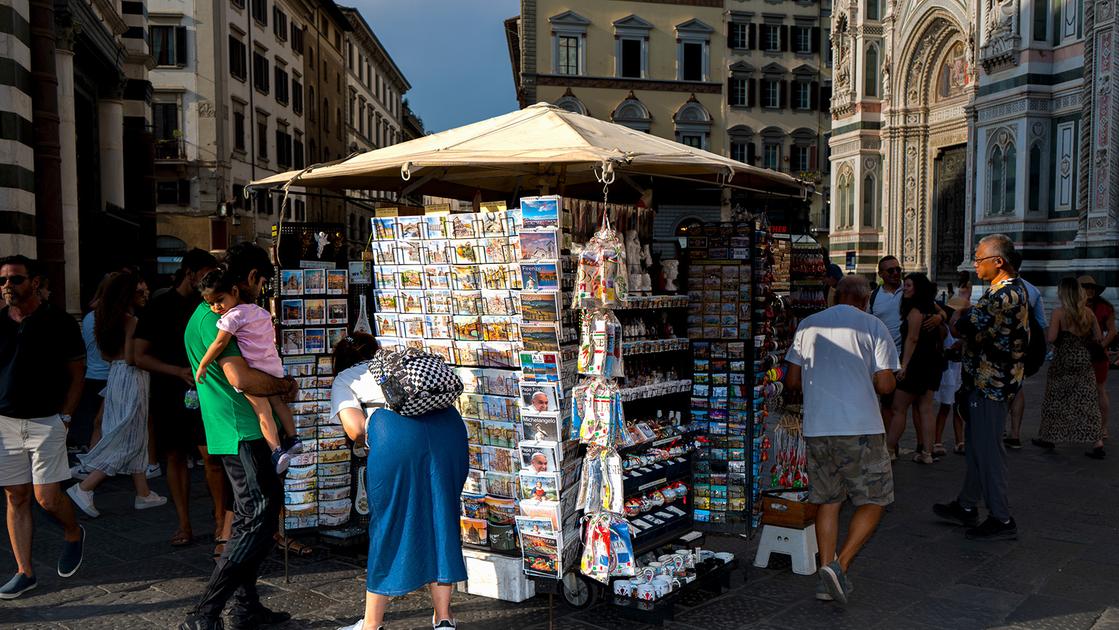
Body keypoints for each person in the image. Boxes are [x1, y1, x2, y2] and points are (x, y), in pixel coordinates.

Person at [181, 243, 295, 630]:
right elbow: (241, 378)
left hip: (232, 429)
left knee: (254, 518)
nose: (262, 290)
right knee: (256, 520)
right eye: (262, 282)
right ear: (250, 278)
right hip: (243, 429)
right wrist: (283, 384)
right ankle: (205, 613)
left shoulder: (203, 311)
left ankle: (245, 607)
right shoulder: (221, 318)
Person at [330, 334, 467, 630]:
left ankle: (371, 624)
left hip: (395, 435)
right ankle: (444, 619)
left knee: (389, 525)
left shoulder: (344, 378)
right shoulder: (402, 365)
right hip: (449, 431)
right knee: (441, 518)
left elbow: (355, 430)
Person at [784, 275, 899, 605]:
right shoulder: (873, 326)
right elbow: (886, 386)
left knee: (829, 501)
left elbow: (791, 379)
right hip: (860, 426)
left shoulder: (808, 324)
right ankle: (840, 565)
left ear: (836, 295)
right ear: (865, 299)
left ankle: (824, 577)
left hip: (819, 427)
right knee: (875, 500)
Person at [0, 255, 86, 598]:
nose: (8, 286)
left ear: (34, 282)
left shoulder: (59, 321)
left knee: (47, 498)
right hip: (5, 422)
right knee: (16, 496)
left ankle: (73, 532)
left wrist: (65, 416)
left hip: (47, 420)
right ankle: (25, 571)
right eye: (3, 280)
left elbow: (77, 372)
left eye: (15, 279)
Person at [934, 234, 1029, 541]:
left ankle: (1001, 518)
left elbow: (963, 326)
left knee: (988, 451)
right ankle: (966, 505)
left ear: (998, 262)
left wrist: (958, 310)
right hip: (985, 380)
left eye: (979, 258)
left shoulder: (1004, 295)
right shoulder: (1002, 291)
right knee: (976, 447)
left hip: (993, 384)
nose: (975, 264)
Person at [133, 249, 230, 549]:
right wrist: (176, 370)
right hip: (171, 392)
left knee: (212, 456)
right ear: (189, 274)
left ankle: (219, 522)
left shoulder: (214, 304)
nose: (210, 281)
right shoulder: (160, 306)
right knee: (175, 456)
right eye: (204, 274)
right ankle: (184, 523)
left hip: (208, 390)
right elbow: (137, 356)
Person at [67, 272, 167, 517]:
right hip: (133, 377)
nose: (144, 295)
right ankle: (85, 487)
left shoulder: (103, 318)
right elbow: (134, 358)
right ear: (128, 295)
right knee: (128, 435)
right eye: (140, 292)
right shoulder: (131, 321)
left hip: (115, 376)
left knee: (132, 433)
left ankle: (143, 493)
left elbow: (105, 356)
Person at [194, 267, 302, 474]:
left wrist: (203, 364)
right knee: (279, 404)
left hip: (255, 370)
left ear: (234, 291)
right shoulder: (259, 311)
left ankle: (277, 451)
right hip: (273, 365)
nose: (216, 307)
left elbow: (219, 345)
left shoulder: (231, 317)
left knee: (263, 412)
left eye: (219, 300)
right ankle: (293, 437)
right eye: (211, 304)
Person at [1034, 277, 1104, 456]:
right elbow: (1098, 337)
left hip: (1063, 359)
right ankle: (1097, 442)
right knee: (1087, 400)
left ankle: (1049, 437)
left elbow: (1051, 338)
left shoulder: (1059, 312)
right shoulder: (1088, 312)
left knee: (1055, 398)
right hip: (1083, 359)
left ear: (1063, 293)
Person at [889, 272, 945, 464]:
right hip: (932, 363)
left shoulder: (915, 311)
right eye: (904, 285)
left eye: (909, 285)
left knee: (899, 408)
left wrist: (903, 366)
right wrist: (940, 317)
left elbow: (912, 339)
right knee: (926, 408)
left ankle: (888, 449)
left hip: (916, 364)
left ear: (918, 288)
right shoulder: (930, 306)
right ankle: (927, 453)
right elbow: (944, 312)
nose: (905, 288)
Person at [1004, 251, 1048, 450]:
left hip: (1006, 347)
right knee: (1017, 386)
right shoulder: (1032, 290)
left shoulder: (1000, 291)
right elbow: (1041, 323)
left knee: (1006, 387)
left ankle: (1003, 431)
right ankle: (1014, 433)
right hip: (1025, 347)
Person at [72, 275, 113, 452]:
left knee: (95, 420)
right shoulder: (111, 318)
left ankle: (90, 451)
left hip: (91, 374)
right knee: (102, 421)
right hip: (107, 375)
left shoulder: (89, 317)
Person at [1080, 275, 1115, 454]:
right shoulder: (1104, 307)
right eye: (1086, 288)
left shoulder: (1101, 308)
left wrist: (1099, 346)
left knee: (1098, 390)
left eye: (1090, 288)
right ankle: (1100, 428)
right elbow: (1111, 333)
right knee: (1097, 390)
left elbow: (1111, 332)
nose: (1089, 290)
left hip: (1091, 353)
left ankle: (1100, 428)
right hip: (1093, 352)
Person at [933, 296, 968, 456]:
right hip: (948, 372)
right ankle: (937, 441)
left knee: (959, 408)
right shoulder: (944, 329)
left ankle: (959, 440)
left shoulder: (963, 332)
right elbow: (939, 350)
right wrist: (952, 348)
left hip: (959, 371)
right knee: (945, 407)